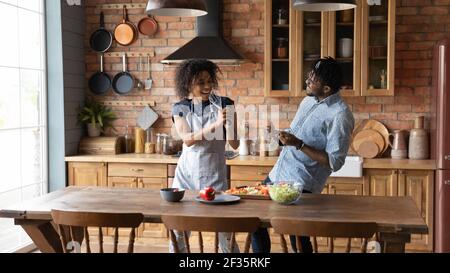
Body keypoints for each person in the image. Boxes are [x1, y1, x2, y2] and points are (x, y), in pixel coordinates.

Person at [252, 57, 355, 253]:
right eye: (309, 75)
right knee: (256, 224)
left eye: (312, 79)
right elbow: (298, 133)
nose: (307, 80)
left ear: (326, 89)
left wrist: (298, 144)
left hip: (302, 184)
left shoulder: (340, 115)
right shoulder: (308, 100)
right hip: (277, 175)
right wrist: (280, 134)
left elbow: (334, 162)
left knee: (298, 238)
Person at [170, 59, 239, 253]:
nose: (207, 86)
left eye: (209, 81)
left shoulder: (225, 104)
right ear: (188, 84)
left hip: (214, 174)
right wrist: (215, 125)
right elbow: (187, 140)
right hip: (186, 176)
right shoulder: (180, 108)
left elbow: (234, 144)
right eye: (201, 82)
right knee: (179, 229)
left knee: (225, 229)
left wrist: (229, 124)